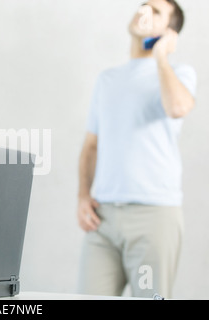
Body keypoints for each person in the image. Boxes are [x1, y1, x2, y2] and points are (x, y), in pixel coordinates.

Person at [76, 0, 196, 298]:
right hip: (103, 221)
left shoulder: (178, 73)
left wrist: (160, 57)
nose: (144, 11)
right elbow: (91, 146)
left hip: (153, 218)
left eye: (155, 11)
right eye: (143, 5)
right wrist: (82, 195)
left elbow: (178, 107)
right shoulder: (107, 80)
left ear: (170, 31)